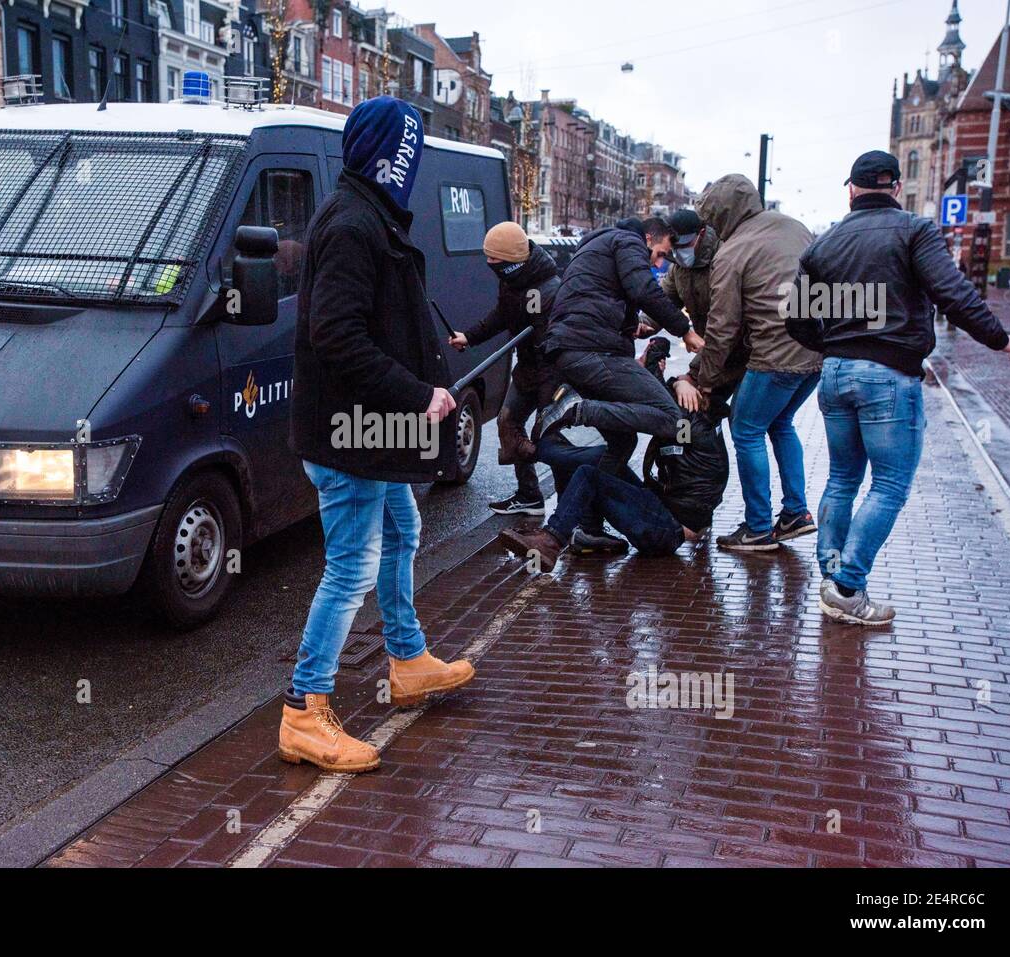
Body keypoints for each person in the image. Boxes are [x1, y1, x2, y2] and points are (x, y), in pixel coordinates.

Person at [283, 97, 474, 772]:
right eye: (407, 153)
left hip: (367, 431)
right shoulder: (354, 224)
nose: (411, 166)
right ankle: (304, 711)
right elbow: (335, 335)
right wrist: (418, 393)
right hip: (350, 436)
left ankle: (407, 658)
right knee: (349, 569)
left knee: (403, 533)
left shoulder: (365, 215)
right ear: (387, 155)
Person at [787, 150, 1010, 625]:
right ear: (895, 188)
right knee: (890, 484)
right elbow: (953, 294)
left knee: (841, 479)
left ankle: (832, 575)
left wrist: (836, 343)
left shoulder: (822, 244)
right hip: (889, 376)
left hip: (834, 374)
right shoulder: (915, 230)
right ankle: (848, 587)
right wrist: (1000, 339)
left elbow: (795, 319)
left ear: (851, 189)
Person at [500, 339, 729, 570]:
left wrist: (585, 412)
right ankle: (589, 532)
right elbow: (657, 392)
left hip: (666, 529)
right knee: (599, 458)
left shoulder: (691, 426)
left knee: (589, 475)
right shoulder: (697, 418)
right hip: (660, 511)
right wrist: (662, 356)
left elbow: (652, 409)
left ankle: (551, 541)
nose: (633, 375)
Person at [694, 173, 823, 553]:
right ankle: (796, 514)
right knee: (781, 422)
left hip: (775, 356)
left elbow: (722, 328)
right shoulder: (796, 228)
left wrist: (705, 381)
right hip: (815, 352)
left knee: (746, 428)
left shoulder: (732, 252)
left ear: (721, 216)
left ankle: (757, 527)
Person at [534, 217, 706, 475]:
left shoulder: (600, 246)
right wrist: (685, 330)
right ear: (648, 238)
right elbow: (643, 290)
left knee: (624, 441)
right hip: (590, 351)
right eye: (660, 254)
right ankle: (578, 410)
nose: (658, 263)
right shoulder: (628, 241)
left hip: (571, 349)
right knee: (672, 418)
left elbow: (597, 296)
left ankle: (584, 506)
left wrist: (630, 326)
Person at [449, 222, 562, 516]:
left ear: (511, 260)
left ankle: (571, 512)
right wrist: (470, 337)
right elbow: (502, 314)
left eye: (494, 259)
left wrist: (548, 398)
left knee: (555, 438)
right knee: (507, 423)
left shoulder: (547, 290)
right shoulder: (511, 280)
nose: (489, 263)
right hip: (526, 369)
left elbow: (552, 347)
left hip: (551, 374)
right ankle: (529, 496)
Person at [660, 209, 749, 412]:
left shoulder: (723, 261)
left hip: (743, 354)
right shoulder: (678, 268)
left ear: (701, 234)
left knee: (745, 425)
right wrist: (644, 324)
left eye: (684, 246)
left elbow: (725, 328)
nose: (679, 252)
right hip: (715, 356)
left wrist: (693, 375)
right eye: (675, 247)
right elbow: (664, 303)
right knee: (702, 413)